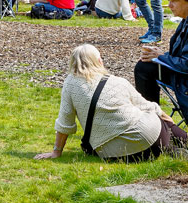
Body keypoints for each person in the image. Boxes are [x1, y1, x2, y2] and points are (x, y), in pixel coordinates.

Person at [36, 45, 185, 162]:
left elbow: (65, 121)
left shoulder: (71, 83)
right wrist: (168, 122)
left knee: (139, 138)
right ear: (99, 61)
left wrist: (56, 151)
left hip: (117, 153)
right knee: (157, 120)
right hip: (155, 139)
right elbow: (149, 107)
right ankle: (178, 143)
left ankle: (172, 149)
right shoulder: (118, 82)